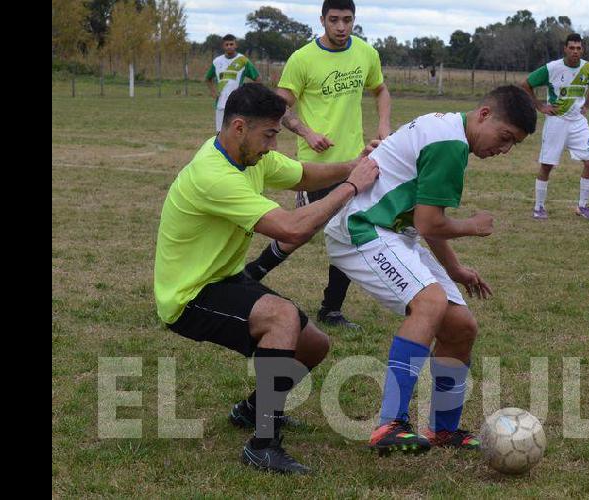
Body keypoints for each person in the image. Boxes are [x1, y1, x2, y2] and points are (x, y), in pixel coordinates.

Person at [153, 82, 380, 474]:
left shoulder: (249, 157)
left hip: (224, 279)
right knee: (281, 318)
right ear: (239, 127)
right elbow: (292, 229)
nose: (273, 145)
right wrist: (351, 186)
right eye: (270, 135)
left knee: (314, 345)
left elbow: (305, 174)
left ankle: (251, 410)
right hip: (188, 296)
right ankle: (263, 444)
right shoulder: (214, 175)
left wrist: (353, 165)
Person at [323, 85, 537, 455]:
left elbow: (426, 219)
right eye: (504, 138)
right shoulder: (450, 144)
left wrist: (454, 269)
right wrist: (473, 225)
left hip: (394, 231)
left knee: (461, 327)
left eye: (512, 145)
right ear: (484, 114)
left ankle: (442, 429)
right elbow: (429, 224)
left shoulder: (450, 131)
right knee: (430, 303)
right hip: (363, 227)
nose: (503, 150)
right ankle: (389, 423)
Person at [240, 0, 391, 330]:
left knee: (349, 231)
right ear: (322, 19)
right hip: (315, 167)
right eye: (334, 19)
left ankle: (331, 308)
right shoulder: (303, 59)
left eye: (347, 20)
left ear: (354, 20)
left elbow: (380, 90)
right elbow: (278, 106)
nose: (341, 26)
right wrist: (307, 132)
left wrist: (384, 124)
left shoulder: (366, 53)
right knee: (301, 231)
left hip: (354, 162)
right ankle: (252, 273)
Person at [520, 33, 589, 221]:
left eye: (578, 48)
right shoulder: (552, 68)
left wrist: (586, 105)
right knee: (547, 165)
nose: (575, 51)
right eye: (571, 48)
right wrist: (540, 106)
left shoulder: (588, 68)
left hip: (578, 122)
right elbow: (526, 84)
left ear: (583, 50)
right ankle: (539, 207)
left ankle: (583, 206)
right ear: (565, 49)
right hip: (557, 121)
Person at [205, 34, 260, 132]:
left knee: (237, 132)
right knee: (220, 132)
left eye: (231, 44)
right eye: (227, 44)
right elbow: (208, 78)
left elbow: (257, 78)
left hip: (238, 103)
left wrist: (251, 94)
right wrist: (213, 92)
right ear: (223, 46)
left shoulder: (243, 60)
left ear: (236, 45)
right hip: (221, 103)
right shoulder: (217, 62)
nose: (229, 46)